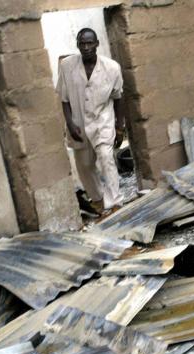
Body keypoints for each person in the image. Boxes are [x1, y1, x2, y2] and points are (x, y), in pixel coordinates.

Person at [57, 28, 125, 214]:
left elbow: (118, 98)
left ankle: (115, 203)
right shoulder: (67, 66)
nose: (86, 47)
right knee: (85, 165)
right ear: (78, 45)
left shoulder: (111, 68)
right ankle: (98, 199)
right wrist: (70, 124)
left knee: (106, 157)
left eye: (90, 43)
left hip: (102, 120)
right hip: (78, 124)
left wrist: (119, 127)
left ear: (96, 44)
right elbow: (64, 99)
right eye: (82, 44)